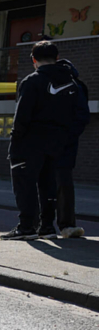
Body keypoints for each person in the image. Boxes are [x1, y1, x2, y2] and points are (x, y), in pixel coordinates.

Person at [2, 41, 78, 240]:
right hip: (57, 142)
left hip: (30, 142)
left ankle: (26, 226)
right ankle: (46, 227)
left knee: (24, 182)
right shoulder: (71, 83)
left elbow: (22, 116)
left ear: (34, 60)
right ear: (57, 57)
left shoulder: (32, 81)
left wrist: (15, 139)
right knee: (48, 184)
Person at [55, 59, 90, 238]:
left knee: (51, 182)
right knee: (64, 183)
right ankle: (66, 224)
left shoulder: (57, 85)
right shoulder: (78, 86)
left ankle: (43, 225)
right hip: (67, 143)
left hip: (54, 142)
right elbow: (83, 116)